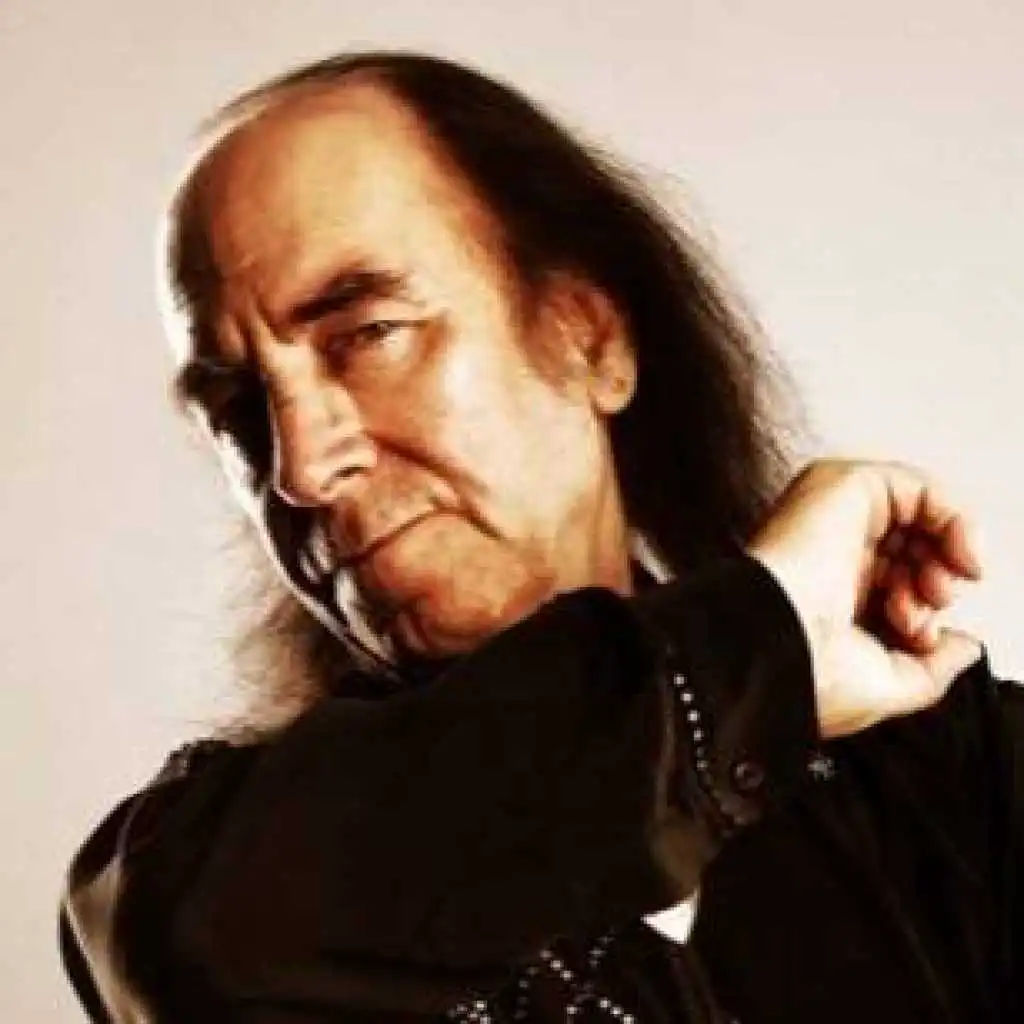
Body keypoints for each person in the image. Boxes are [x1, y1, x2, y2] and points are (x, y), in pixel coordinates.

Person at [59, 51, 1022, 1024]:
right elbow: (208, 948)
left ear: (588, 337)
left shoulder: (951, 776)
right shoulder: (192, 884)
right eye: (238, 408)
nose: (301, 466)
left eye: (368, 333)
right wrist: (761, 639)